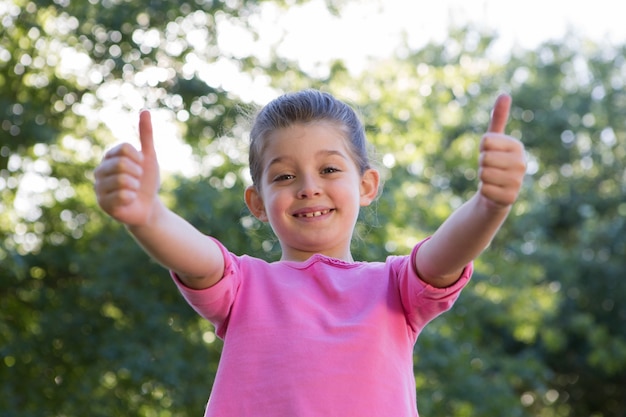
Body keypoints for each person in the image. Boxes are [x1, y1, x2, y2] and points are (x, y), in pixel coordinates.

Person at [94, 89, 526, 416]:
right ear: (257, 202)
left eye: (330, 169)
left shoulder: (395, 287)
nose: (308, 186)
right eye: (283, 176)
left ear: (366, 185)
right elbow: (194, 255)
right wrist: (147, 216)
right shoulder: (244, 285)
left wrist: (489, 205)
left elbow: (446, 254)